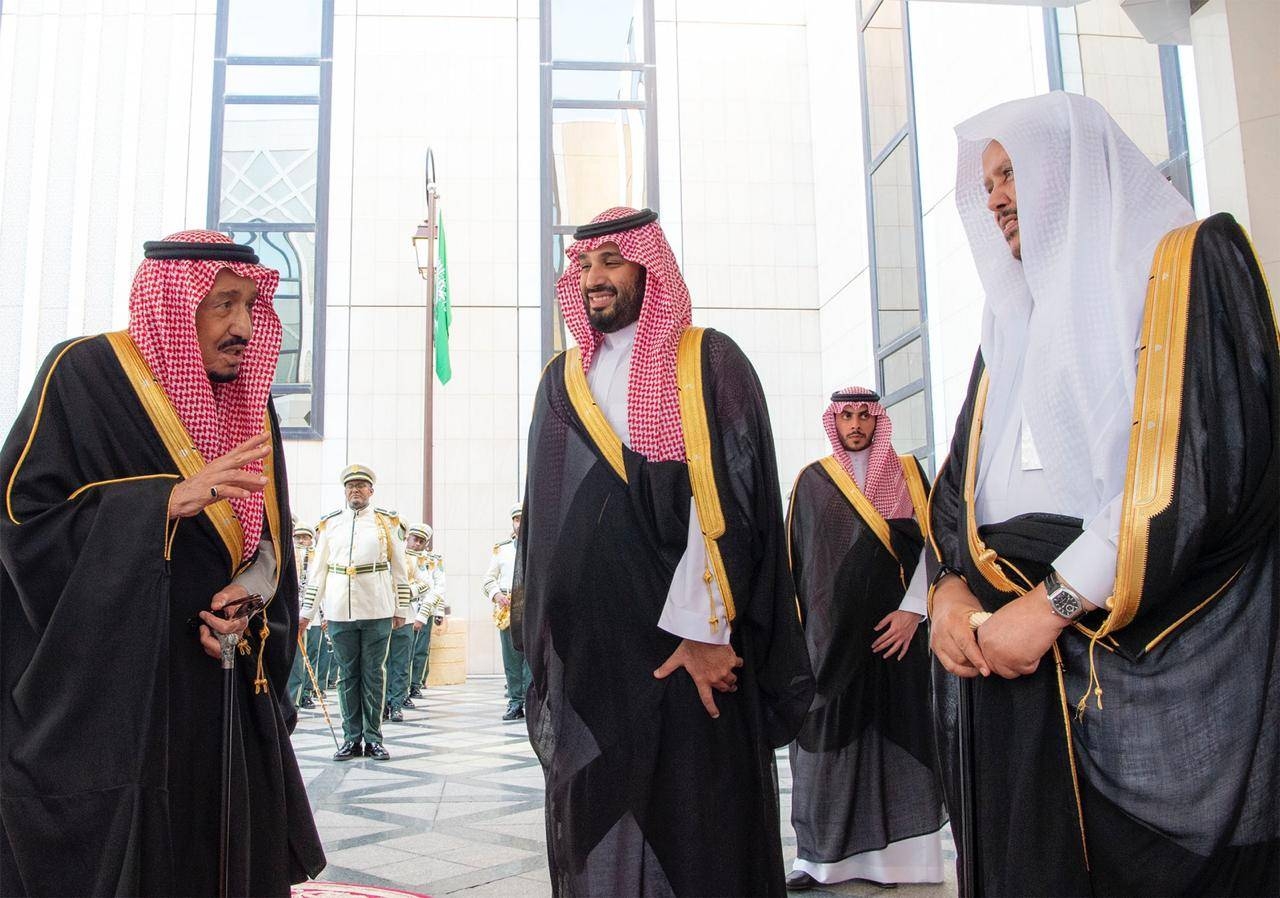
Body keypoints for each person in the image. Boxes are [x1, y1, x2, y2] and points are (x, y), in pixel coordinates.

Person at [927, 92, 1279, 896]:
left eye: (1011, 173)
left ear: (1072, 165)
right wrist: (948, 591)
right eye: (986, 186)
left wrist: (1049, 605)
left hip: (1116, 663)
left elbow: (1206, 468)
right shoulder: (1007, 322)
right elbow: (958, 485)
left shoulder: (1190, 265)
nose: (997, 200)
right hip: (1000, 669)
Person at [0, 230, 325, 896]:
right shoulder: (85, 374)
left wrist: (251, 601)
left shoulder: (248, 403)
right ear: (174, 308)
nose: (243, 326)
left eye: (251, 307)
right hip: (119, 702)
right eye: (223, 305)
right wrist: (160, 504)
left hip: (221, 685)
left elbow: (265, 550)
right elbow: (19, 521)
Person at [514, 207, 814, 896]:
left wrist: (706, 631)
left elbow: (733, 501)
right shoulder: (561, 381)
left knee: (699, 820)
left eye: (613, 261)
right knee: (601, 820)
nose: (595, 278)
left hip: (691, 652)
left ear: (650, 268)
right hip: (597, 659)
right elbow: (547, 523)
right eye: (584, 265)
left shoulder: (708, 360)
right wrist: (554, 639)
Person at [786, 388, 946, 891]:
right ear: (834, 420)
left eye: (864, 415)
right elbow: (797, 564)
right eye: (847, 415)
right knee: (825, 743)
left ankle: (897, 863)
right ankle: (819, 862)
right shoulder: (812, 481)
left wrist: (913, 612)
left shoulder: (909, 475)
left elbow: (935, 547)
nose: (856, 424)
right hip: (832, 646)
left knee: (900, 736)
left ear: (879, 420)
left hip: (898, 638)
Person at [301, 465, 411, 761]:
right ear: (345, 491)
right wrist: (307, 613)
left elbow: (400, 570)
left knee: (374, 674)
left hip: (377, 608)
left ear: (371, 491)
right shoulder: (330, 525)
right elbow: (317, 573)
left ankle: (373, 737)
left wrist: (401, 608)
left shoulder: (386, 523)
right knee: (347, 675)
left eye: (361, 486)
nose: (356, 490)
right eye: (351, 486)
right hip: (339, 609)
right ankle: (351, 739)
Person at [482, 505, 530, 721]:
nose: (520, 523)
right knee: (511, 658)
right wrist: (496, 595)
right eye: (516, 519)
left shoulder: (538, 547)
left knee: (531, 658)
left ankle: (532, 703)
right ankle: (515, 702)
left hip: (531, 606)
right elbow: (488, 579)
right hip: (507, 606)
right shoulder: (501, 550)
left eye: (523, 518)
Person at [406, 524, 446, 701]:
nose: (417, 544)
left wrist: (437, 611)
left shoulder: (433, 561)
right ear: (408, 538)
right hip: (405, 609)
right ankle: (401, 687)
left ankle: (415, 684)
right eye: (415, 539)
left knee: (420, 650)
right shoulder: (399, 557)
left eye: (421, 541)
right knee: (402, 652)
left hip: (425, 609)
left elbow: (438, 588)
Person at [287, 522, 320, 709]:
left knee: (305, 657)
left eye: (305, 537)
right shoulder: (290, 554)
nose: (301, 540)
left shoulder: (314, 558)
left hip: (307, 614)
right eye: (298, 537)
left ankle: (298, 698)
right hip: (290, 611)